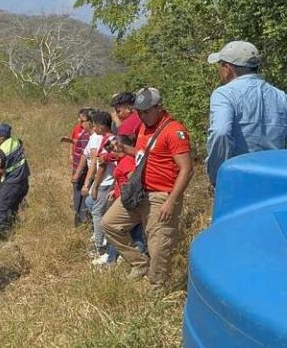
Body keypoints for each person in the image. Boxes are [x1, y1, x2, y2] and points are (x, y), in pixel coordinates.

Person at [102, 88, 194, 287]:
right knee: (109, 223)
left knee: (158, 246)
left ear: (159, 107)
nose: (142, 116)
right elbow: (145, 154)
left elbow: (186, 169)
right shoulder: (144, 127)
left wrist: (171, 201)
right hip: (140, 192)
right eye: (139, 112)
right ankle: (140, 263)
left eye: (146, 112)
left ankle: (158, 289)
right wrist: (125, 149)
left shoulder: (173, 131)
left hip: (162, 195)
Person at [206, 41, 287, 185]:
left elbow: (221, 132)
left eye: (220, 65)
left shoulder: (224, 94)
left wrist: (218, 176)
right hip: (275, 180)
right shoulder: (282, 97)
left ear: (227, 68)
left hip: (239, 180)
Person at [81, 111, 116, 265]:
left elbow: (102, 164)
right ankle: (103, 240)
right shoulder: (107, 139)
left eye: (95, 125)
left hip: (106, 182)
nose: (94, 128)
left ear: (101, 126)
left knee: (97, 212)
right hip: (105, 182)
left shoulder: (111, 140)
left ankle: (100, 247)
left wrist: (94, 185)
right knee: (91, 203)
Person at [0, 123, 30, 232]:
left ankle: (4, 232)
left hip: (13, 181)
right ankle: (14, 228)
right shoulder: (15, 140)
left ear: (2, 137)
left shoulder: (2, 151)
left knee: (0, 208)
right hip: (24, 179)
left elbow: (1, 170)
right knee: (13, 206)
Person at [61, 108, 93, 226]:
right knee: (78, 198)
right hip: (80, 171)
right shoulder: (84, 133)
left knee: (81, 198)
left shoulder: (89, 135)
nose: (80, 122)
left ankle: (82, 223)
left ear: (91, 121)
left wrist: (78, 174)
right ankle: (80, 222)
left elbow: (86, 156)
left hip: (83, 173)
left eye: (82, 120)